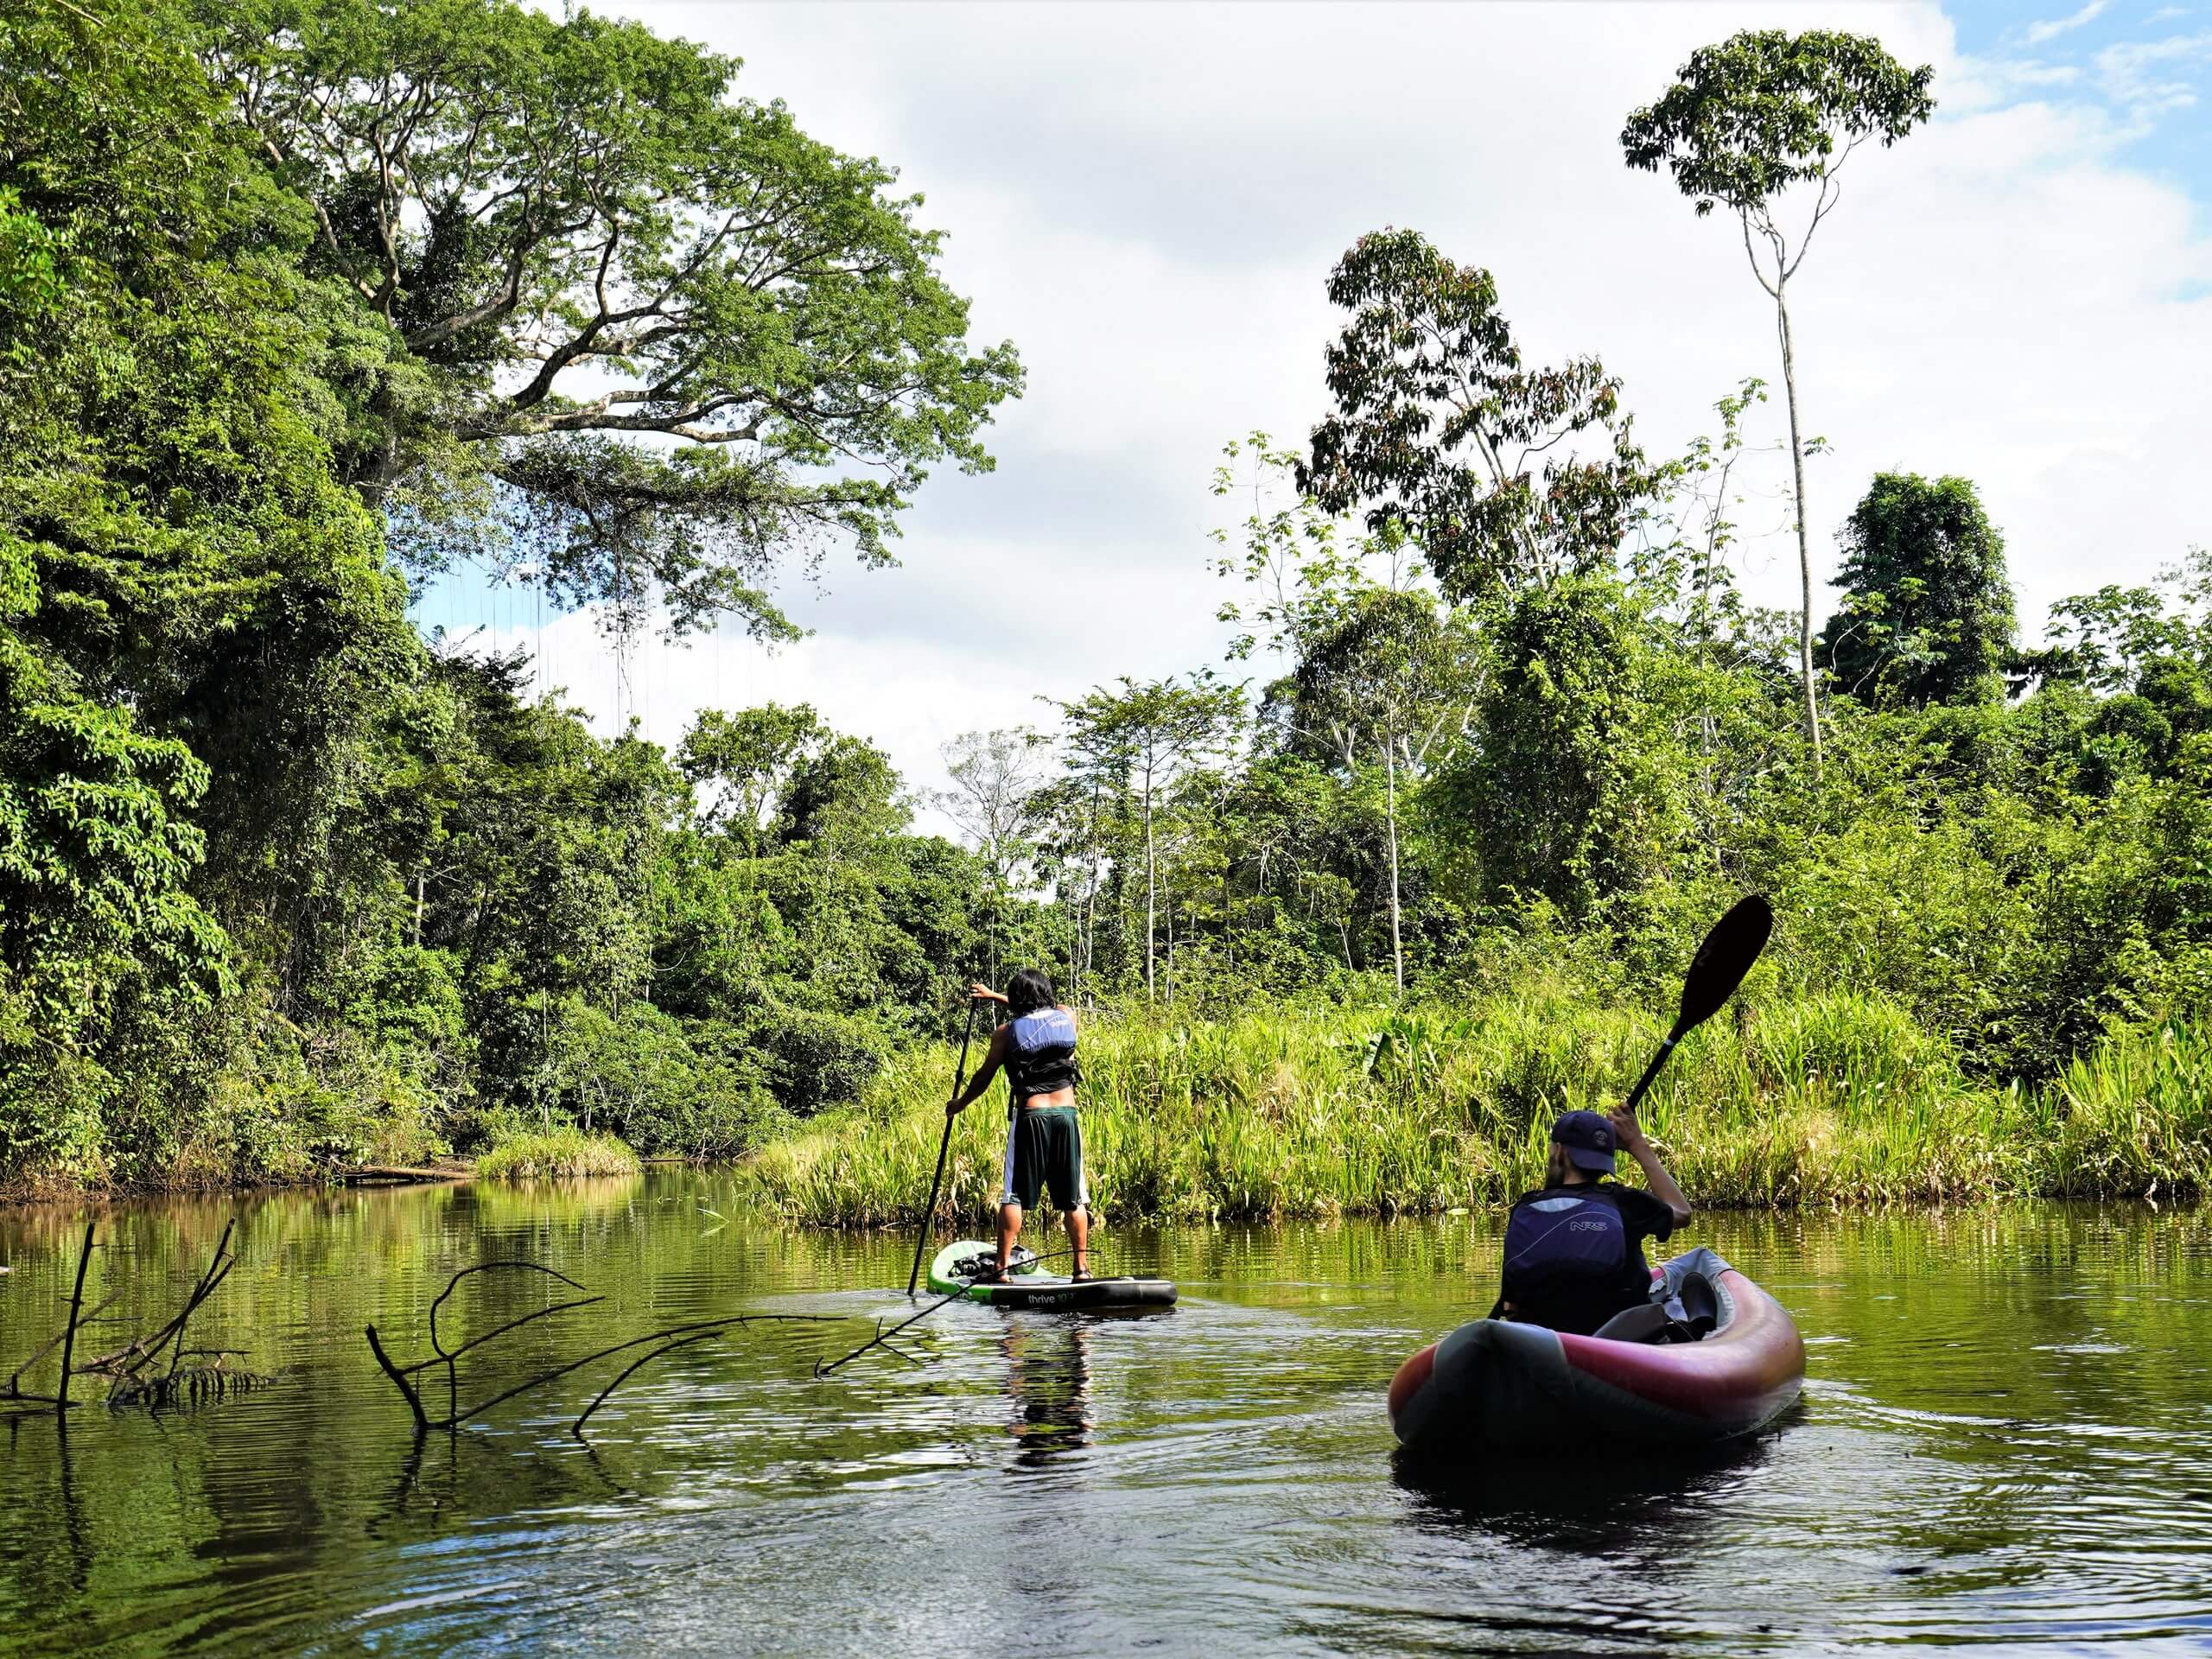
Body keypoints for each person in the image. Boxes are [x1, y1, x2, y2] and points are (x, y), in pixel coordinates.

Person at [946, 969, 1090, 1281]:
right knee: (1074, 1198)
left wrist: (959, 1105)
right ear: (1048, 994)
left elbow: (982, 1078)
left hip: (1031, 1117)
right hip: (1067, 1115)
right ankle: (1081, 1270)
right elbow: (1047, 1009)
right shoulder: (1067, 1017)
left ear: (1016, 1000)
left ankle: (1002, 1269)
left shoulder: (1005, 1033)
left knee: (1013, 1196)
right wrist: (996, 996)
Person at [1497, 1106, 1692, 1337]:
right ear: (1605, 1162)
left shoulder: (1525, 1208)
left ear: (1559, 1152)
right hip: (1618, 1341)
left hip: (1540, 1343)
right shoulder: (1626, 1202)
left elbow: (1510, 1305)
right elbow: (1682, 1212)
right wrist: (1638, 1145)